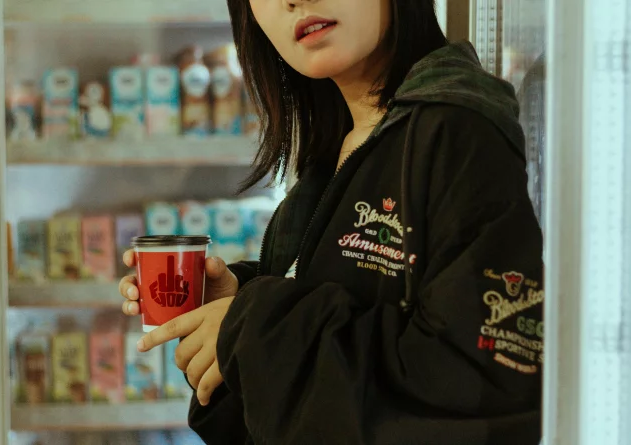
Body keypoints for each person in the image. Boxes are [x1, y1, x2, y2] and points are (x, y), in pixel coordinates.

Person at [118, 0, 544, 443]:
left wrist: (252, 325)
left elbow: (482, 389)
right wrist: (229, 312)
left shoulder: (457, 133)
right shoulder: (343, 144)